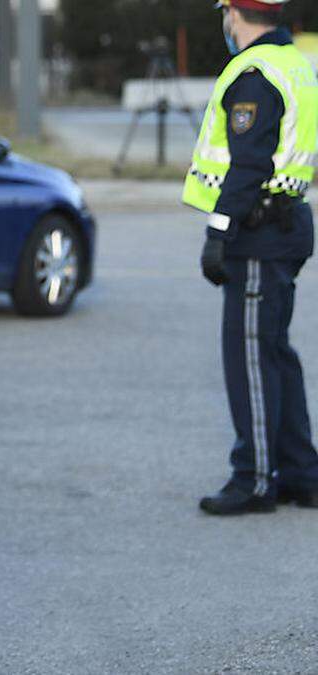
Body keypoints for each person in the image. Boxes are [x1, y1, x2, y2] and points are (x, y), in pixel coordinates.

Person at [185, 0, 318, 515]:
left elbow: (249, 163)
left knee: (252, 358)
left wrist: (219, 230)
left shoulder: (255, 72)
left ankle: (255, 479)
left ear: (234, 15)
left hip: (259, 230)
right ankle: (302, 473)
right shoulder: (293, 62)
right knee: (275, 353)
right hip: (285, 221)